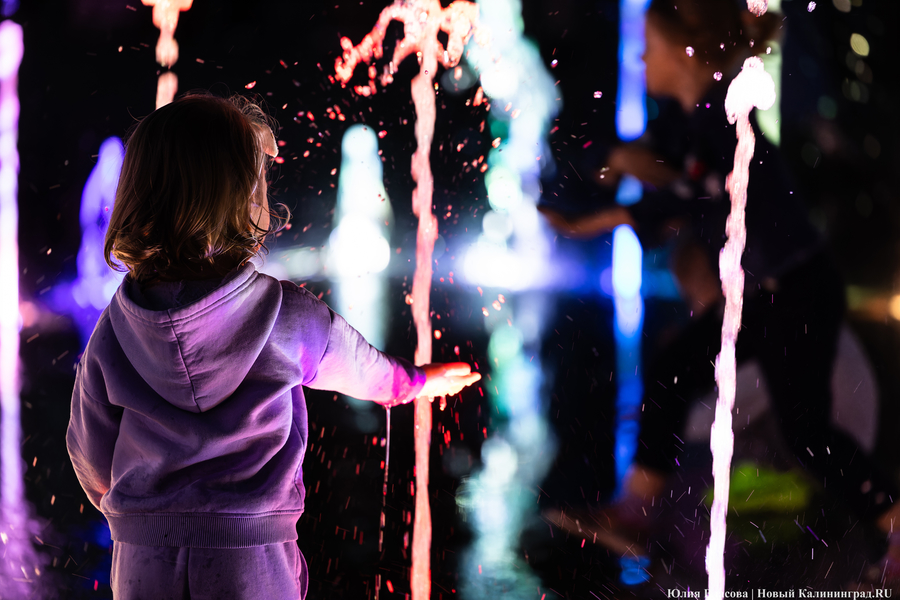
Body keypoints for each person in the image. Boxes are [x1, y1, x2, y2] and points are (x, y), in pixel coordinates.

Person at [65, 93, 481, 599]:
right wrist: (415, 381)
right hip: (253, 554)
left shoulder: (114, 327)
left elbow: (89, 450)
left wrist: (135, 512)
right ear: (247, 200)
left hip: (143, 559)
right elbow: (362, 368)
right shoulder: (283, 313)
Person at [541, 0, 900, 582]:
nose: (639, 59)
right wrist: (610, 174)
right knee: (673, 371)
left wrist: (608, 212)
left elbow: (694, 187)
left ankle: (895, 526)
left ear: (688, 55)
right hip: (761, 296)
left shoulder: (722, 114)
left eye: (649, 48)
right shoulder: (683, 124)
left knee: (807, 432)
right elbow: (659, 185)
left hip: (799, 288)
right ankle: (636, 511)